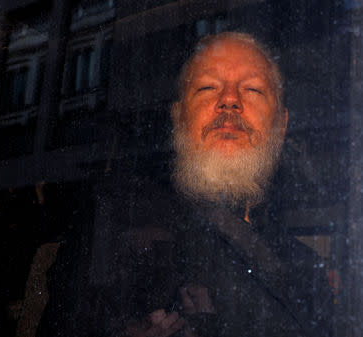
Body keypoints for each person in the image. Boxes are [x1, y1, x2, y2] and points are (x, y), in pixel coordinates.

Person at [37, 32, 333, 337]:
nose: (230, 100)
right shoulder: (115, 227)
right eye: (207, 87)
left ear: (281, 124)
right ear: (178, 117)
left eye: (254, 89)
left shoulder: (304, 268)